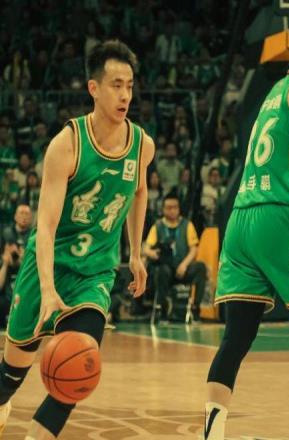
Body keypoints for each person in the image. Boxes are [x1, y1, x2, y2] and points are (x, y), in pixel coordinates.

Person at [0, 40, 154, 439]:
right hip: (48, 265)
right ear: (94, 88)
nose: (125, 95)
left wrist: (135, 253)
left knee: (77, 365)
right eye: (116, 85)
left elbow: (139, 191)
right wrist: (47, 289)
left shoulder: (142, 145)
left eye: (130, 86)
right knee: (10, 375)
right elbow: (46, 226)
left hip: (95, 272)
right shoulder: (66, 144)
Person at [204, 10, 289, 440]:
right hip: (276, 218)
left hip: (241, 219)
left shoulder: (275, 91)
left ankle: (212, 432)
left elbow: (277, 160)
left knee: (237, 335)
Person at [143, 193, 206, 322]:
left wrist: (184, 265)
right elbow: (145, 248)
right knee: (161, 271)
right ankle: (162, 308)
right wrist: (152, 253)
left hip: (183, 267)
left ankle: (195, 308)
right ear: (163, 209)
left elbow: (194, 249)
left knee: (200, 268)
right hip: (167, 269)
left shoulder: (187, 225)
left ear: (179, 208)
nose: (172, 210)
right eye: (169, 207)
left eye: (175, 207)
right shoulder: (157, 226)